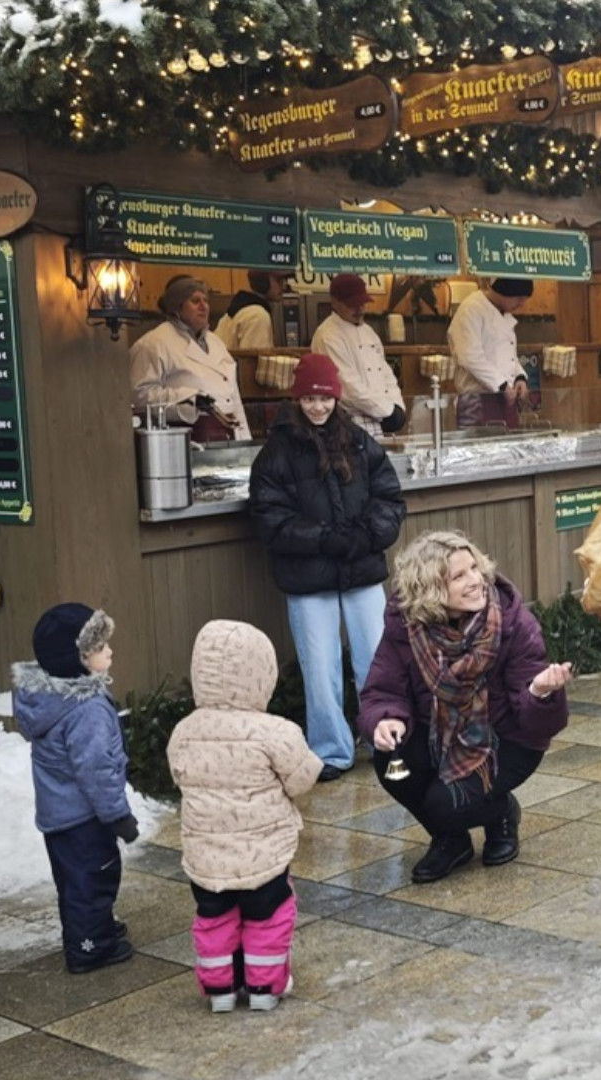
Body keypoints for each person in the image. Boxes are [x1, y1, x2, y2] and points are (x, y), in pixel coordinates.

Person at [359, 531, 571, 884]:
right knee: (391, 761)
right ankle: (450, 840)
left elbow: (537, 723)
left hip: (506, 740)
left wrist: (540, 692)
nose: (476, 581)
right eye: (459, 576)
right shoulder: (406, 627)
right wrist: (386, 719)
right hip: (435, 735)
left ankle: (501, 813)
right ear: (430, 590)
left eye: (475, 568)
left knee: (444, 803)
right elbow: (382, 690)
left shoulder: (513, 622)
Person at [249, 354, 406, 782]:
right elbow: (269, 518)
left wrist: (365, 535)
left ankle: (384, 739)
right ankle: (331, 749)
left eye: (324, 398)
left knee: (378, 660)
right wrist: (322, 538)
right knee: (320, 667)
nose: (318, 407)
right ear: (297, 398)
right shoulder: (276, 452)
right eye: (309, 398)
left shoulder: (358, 441)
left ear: (336, 398)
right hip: (309, 578)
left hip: (361, 570)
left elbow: (389, 499)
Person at [167, 620, 322, 1012]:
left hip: (207, 858)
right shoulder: (274, 732)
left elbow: (179, 776)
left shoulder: (184, 731)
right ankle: (264, 986)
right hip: (263, 855)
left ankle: (220, 988)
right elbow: (303, 778)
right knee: (267, 917)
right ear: (261, 676)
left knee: (214, 918)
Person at [11, 603, 136, 974]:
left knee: (75, 881)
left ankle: (91, 929)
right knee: (95, 877)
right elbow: (96, 770)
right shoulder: (86, 709)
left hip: (58, 814)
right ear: (76, 660)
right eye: (99, 648)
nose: (109, 651)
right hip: (86, 815)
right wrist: (118, 815)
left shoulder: (47, 698)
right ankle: (89, 947)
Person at [131, 276, 249, 441]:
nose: (203, 307)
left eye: (205, 301)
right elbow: (139, 397)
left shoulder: (216, 343)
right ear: (177, 308)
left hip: (229, 437)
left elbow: (234, 397)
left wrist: (244, 441)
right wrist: (188, 399)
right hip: (184, 440)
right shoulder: (153, 344)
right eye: (195, 301)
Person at [310, 274, 408, 438]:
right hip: (349, 422)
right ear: (335, 302)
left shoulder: (369, 332)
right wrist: (387, 411)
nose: (360, 309)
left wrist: (398, 406)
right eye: (352, 304)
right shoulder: (328, 335)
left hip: (379, 419)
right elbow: (348, 387)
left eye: (363, 303)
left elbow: (386, 374)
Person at [446, 278, 532, 429]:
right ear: (504, 292)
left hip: (505, 399)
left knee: (510, 450)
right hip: (477, 400)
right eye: (518, 299)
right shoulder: (471, 309)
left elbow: (509, 355)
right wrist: (501, 385)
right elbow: (469, 357)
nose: (521, 305)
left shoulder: (503, 313)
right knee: (481, 451)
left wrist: (519, 377)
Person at [215, 270, 288, 352]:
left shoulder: (241, 308)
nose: (284, 286)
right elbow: (252, 361)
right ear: (263, 282)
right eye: (279, 280)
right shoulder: (257, 315)